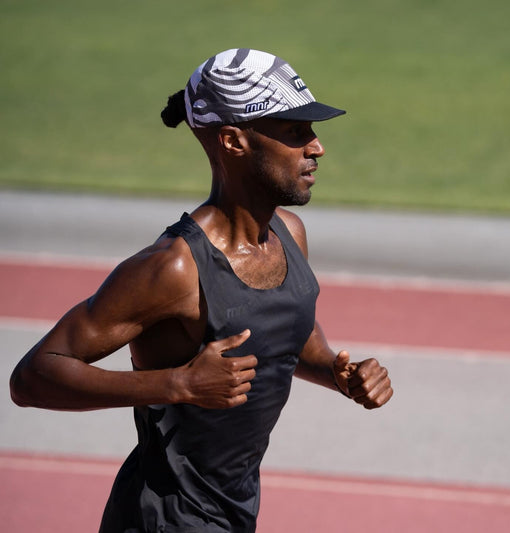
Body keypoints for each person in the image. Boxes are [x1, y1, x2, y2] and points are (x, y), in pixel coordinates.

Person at [10, 48, 393, 532]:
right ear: (233, 140)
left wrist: (338, 372)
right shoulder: (174, 268)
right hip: (164, 518)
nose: (317, 148)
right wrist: (178, 384)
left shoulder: (289, 235)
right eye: (296, 132)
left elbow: (286, 335)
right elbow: (32, 378)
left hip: (233, 510)